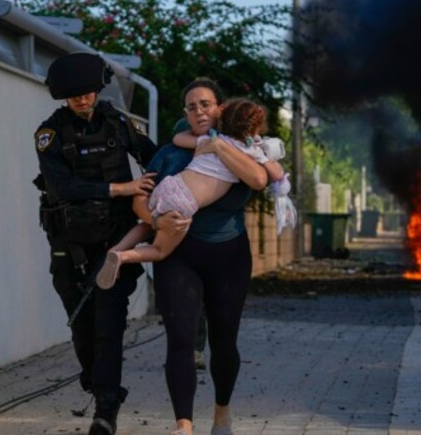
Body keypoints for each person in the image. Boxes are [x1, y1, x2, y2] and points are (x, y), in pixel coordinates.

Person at [33, 52, 157, 435]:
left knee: (108, 326)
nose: (82, 100)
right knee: (82, 327)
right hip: (69, 246)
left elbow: (154, 158)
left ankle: (105, 409)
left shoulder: (119, 123)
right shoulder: (49, 134)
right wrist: (121, 187)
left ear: (97, 89)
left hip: (114, 245)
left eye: (87, 93)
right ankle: (98, 381)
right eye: (74, 96)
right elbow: (61, 187)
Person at [137, 78, 268, 435]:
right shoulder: (169, 153)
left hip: (229, 255)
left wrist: (216, 147)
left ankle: (222, 413)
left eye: (206, 104)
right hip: (178, 255)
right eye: (192, 106)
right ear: (186, 112)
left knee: (224, 342)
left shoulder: (241, 148)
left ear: (220, 108)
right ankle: (184, 425)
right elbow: (139, 197)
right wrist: (154, 218)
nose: (199, 111)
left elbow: (258, 179)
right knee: (180, 338)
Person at [95, 98, 285, 289]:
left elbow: (178, 138)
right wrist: (262, 150)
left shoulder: (211, 139)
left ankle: (117, 248)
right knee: (160, 250)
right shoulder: (249, 152)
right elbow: (275, 174)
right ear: (254, 130)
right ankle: (123, 257)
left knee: (149, 224)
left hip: (170, 185)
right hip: (184, 203)